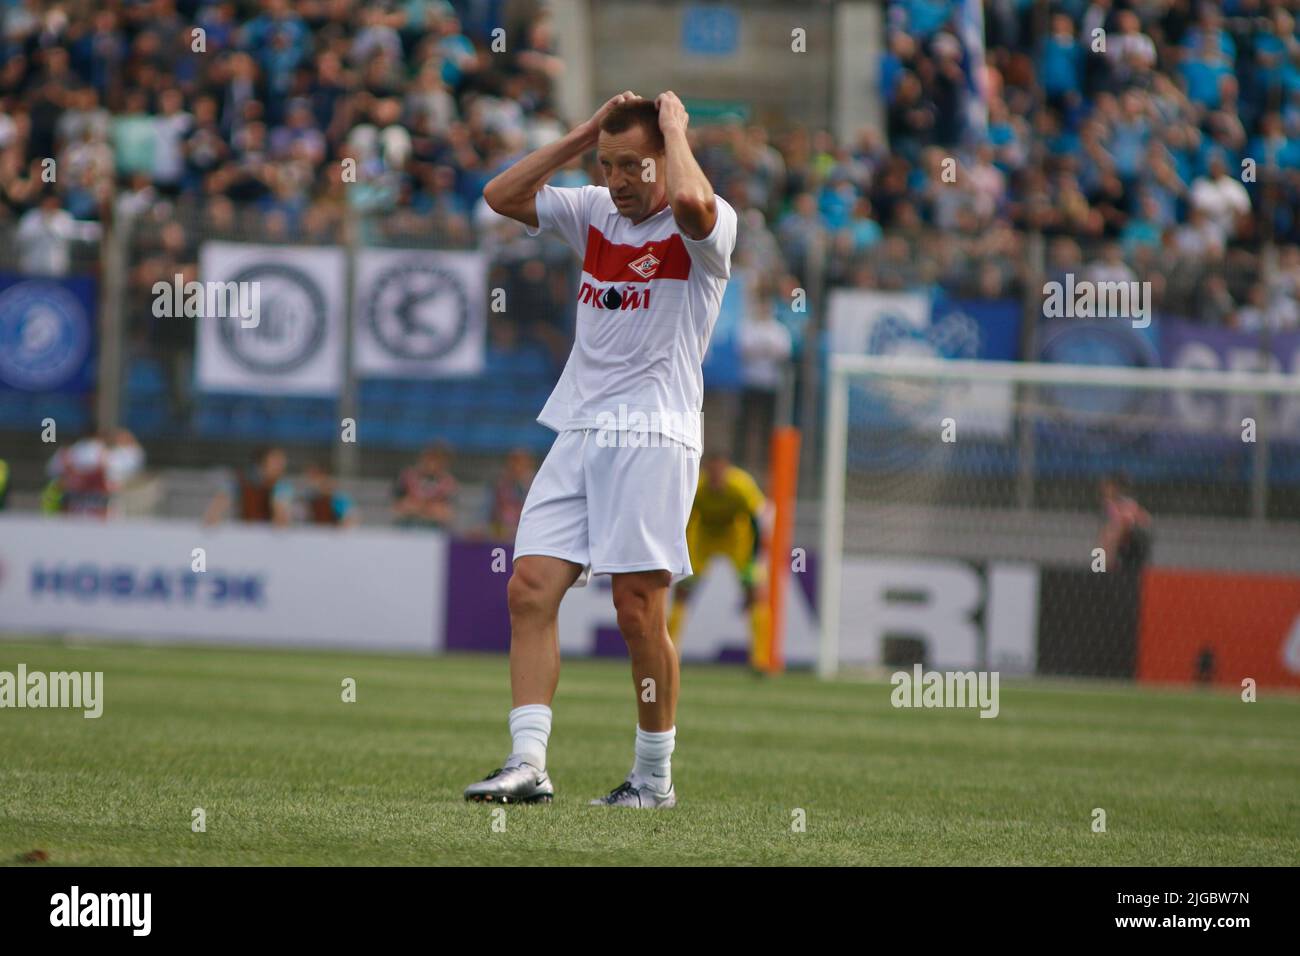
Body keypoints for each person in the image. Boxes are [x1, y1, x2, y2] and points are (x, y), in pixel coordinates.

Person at [462, 90, 738, 809]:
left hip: (654, 429)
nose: (616, 179)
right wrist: (584, 133)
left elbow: (693, 205)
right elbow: (501, 194)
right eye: (606, 164)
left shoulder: (702, 222)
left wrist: (675, 131)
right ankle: (528, 763)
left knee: (636, 608)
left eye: (631, 165)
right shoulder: (592, 210)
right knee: (529, 590)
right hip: (582, 426)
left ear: (666, 155)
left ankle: (653, 778)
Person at [668, 453, 770, 669]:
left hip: (735, 538)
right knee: (683, 591)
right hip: (703, 538)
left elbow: (756, 521)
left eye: (719, 472)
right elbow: (682, 518)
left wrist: (754, 559)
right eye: (711, 472)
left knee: (754, 592)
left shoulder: (741, 486)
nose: (715, 477)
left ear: (727, 470)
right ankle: (669, 653)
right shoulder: (697, 485)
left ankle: (760, 660)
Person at [204, 446, 293, 525]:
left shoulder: (282, 486)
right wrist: (214, 514)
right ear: (262, 463)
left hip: (267, 534)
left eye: (282, 462)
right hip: (245, 532)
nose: (280, 466)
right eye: (276, 462)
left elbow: (281, 518)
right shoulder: (241, 481)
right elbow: (218, 506)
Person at [393, 443, 458, 530]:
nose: (433, 463)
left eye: (438, 460)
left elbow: (445, 513)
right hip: (406, 529)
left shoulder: (448, 482)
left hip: (435, 530)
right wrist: (429, 508)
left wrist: (418, 506)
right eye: (430, 458)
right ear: (423, 458)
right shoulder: (407, 477)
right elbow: (399, 508)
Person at [1098, 471, 1152, 573]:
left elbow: (1145, 519)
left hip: (1133, 537)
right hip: (1117, 537)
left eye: (1109, 487)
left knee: (1114, 531)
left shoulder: (1127, 502)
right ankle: (1100, 568)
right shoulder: (1106, 505)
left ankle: (1105, 567)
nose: (1106, 490)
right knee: (1106, 534)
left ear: (1116, 488)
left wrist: (1131, 520)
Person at [486, 447, 534, 540]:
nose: (515, 466)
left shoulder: (534, 486)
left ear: (528, 464)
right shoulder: (499, 485)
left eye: (519, 462)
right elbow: (490, 511)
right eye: (513, 462)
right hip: (501, 534)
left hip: (526, 533)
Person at [301, 462, 357, 527]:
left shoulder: (338, 498)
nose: (311, 480)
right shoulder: (309, 496)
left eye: (314, 475)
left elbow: (350, 517)